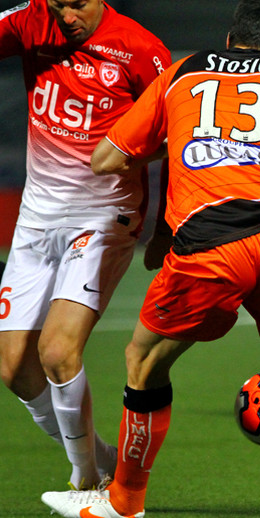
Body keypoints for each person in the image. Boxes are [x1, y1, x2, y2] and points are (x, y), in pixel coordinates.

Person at [40, 1, 260, 517]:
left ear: (229, 38)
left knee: (144, 362)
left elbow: (106, 159)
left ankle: (123, 502)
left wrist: (178, 142)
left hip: (209, 244)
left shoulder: (182, 72)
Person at [0, 0, 170, 492]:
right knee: (14, 369)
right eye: (58, 5)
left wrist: (165, 227)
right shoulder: (31, 21)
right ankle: (101, 461)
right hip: (36, 220)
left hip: (102, 219)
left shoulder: (139, 49)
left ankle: (88, 482)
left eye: (76, 5)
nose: (66, 17)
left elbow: (175, 139)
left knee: (57, 351)